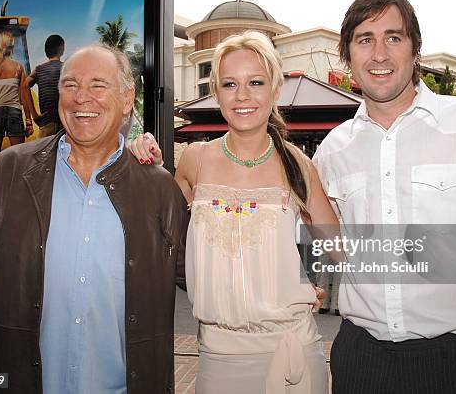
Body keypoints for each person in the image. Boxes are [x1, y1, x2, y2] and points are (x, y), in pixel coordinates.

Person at [312, 0, 456, 394]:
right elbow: (321, 236)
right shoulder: (332, 149)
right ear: (348, 57)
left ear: (415, 49)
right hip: (357, 361)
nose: (379, 54)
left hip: (451, 364)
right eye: (365, 40)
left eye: (394, 37)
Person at [0, 44, 189, 394]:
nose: (81, 98)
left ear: (127, 98)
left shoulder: (159, 189)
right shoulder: (7, 174)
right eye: (70, 86)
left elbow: (205, 278)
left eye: (98, 85)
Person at [131, 31, 338, 394]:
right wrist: (148, 167)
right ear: (217, 92)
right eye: (230, 84)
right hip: (218, 354)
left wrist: (309, 276)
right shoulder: (195, 159)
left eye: (255, 82)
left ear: (275, 91)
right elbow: (155, 228)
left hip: (293, 352)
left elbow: (337, 249)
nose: (242, 95)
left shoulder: (298, 165)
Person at [0, 30, 35, 154]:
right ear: (13, 48)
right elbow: (24, 96)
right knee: (18, 158)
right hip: (15, 113)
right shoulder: (19, 68)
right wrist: (29, 122)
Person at [26, 34, 65, 138]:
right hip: (65, 124)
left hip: (46, 123)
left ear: (46, 51)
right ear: (62, 48)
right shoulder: (66, 68)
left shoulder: (39, 70)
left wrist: (34, 115)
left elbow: (24, 86)